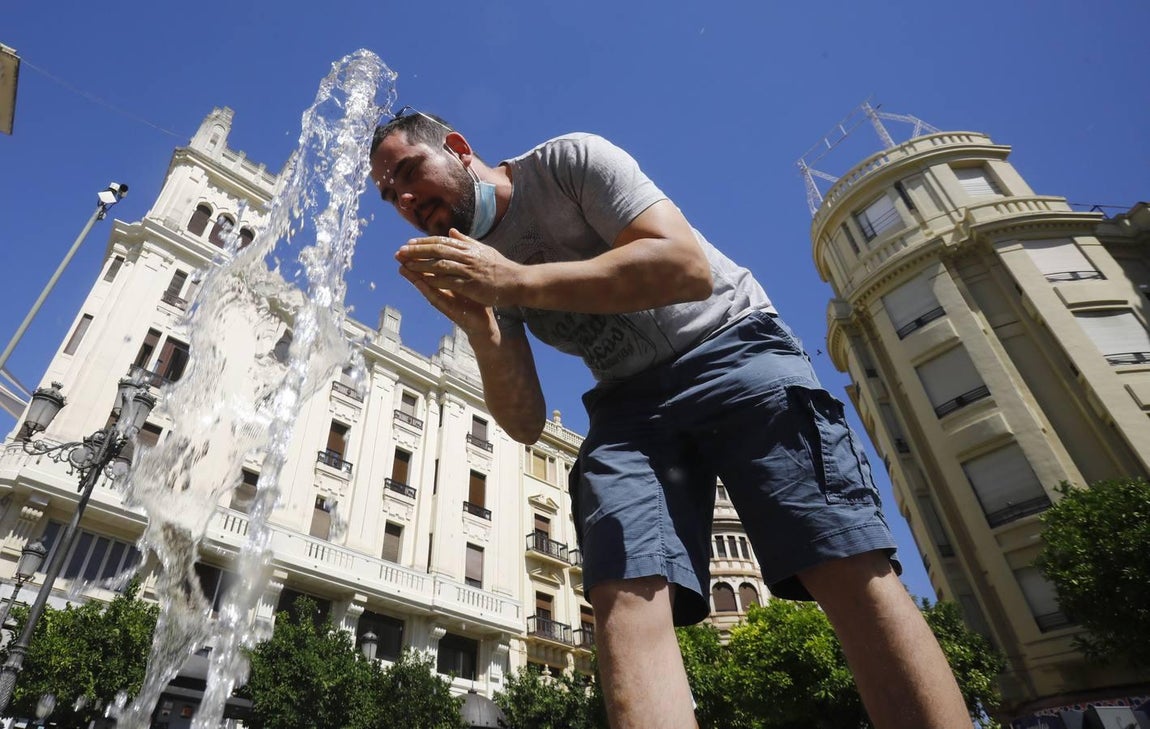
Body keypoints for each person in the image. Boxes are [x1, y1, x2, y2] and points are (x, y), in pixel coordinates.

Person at [368, 108, 969, 729]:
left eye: (410, 171)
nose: (407, 199)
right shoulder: (480, 264)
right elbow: (522, 424)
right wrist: (483, 327)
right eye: (391, 195)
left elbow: (685, 267)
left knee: (841, 561)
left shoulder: (570, 161)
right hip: (627, 405)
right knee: (620, 598)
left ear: (459, 149)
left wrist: (517, 280)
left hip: (731, 344)